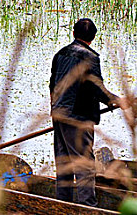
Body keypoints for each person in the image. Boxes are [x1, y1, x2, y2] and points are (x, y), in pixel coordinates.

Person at [49, 18, 122, 206]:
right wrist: (115, 100)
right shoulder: (90, 57)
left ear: (73, 34)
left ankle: (63, 205)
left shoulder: (60, 54)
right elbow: (96, 88)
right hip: (78, 118)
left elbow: (52, 86)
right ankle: (87, 207)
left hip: (59, 114)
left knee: (64, 163)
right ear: (93, 38)